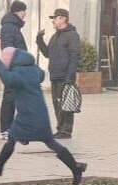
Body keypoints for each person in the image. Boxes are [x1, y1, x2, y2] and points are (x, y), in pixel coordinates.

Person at [0, 47, 87, 184]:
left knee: (42, 142)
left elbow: (9, 80)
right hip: (36, 113)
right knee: (18, 138)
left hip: (30, 115)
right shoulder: (32, 70)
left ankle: (76, 167)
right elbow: (41, 74)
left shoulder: (20, 73)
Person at [36, 8, 81, 139]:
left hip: (65, 76)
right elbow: (47, 53)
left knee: (66, 104)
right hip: (55, 76)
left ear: (62, 19)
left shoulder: (72, 35)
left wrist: (70, 77)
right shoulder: (55, 36)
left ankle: (66, 131)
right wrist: (39, 40)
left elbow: (74, 57)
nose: (53, 21)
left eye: (55, 18)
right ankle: (60, 129)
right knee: (57, 105)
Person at [0, 1, 28, 140]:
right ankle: (5, 129)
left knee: (16, 98)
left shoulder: (13, 27)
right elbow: (8, 49)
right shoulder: (9, 27)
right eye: (23, 11)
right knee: (9, 99)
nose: (25, 13)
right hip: (13, 68)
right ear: (17, 11)